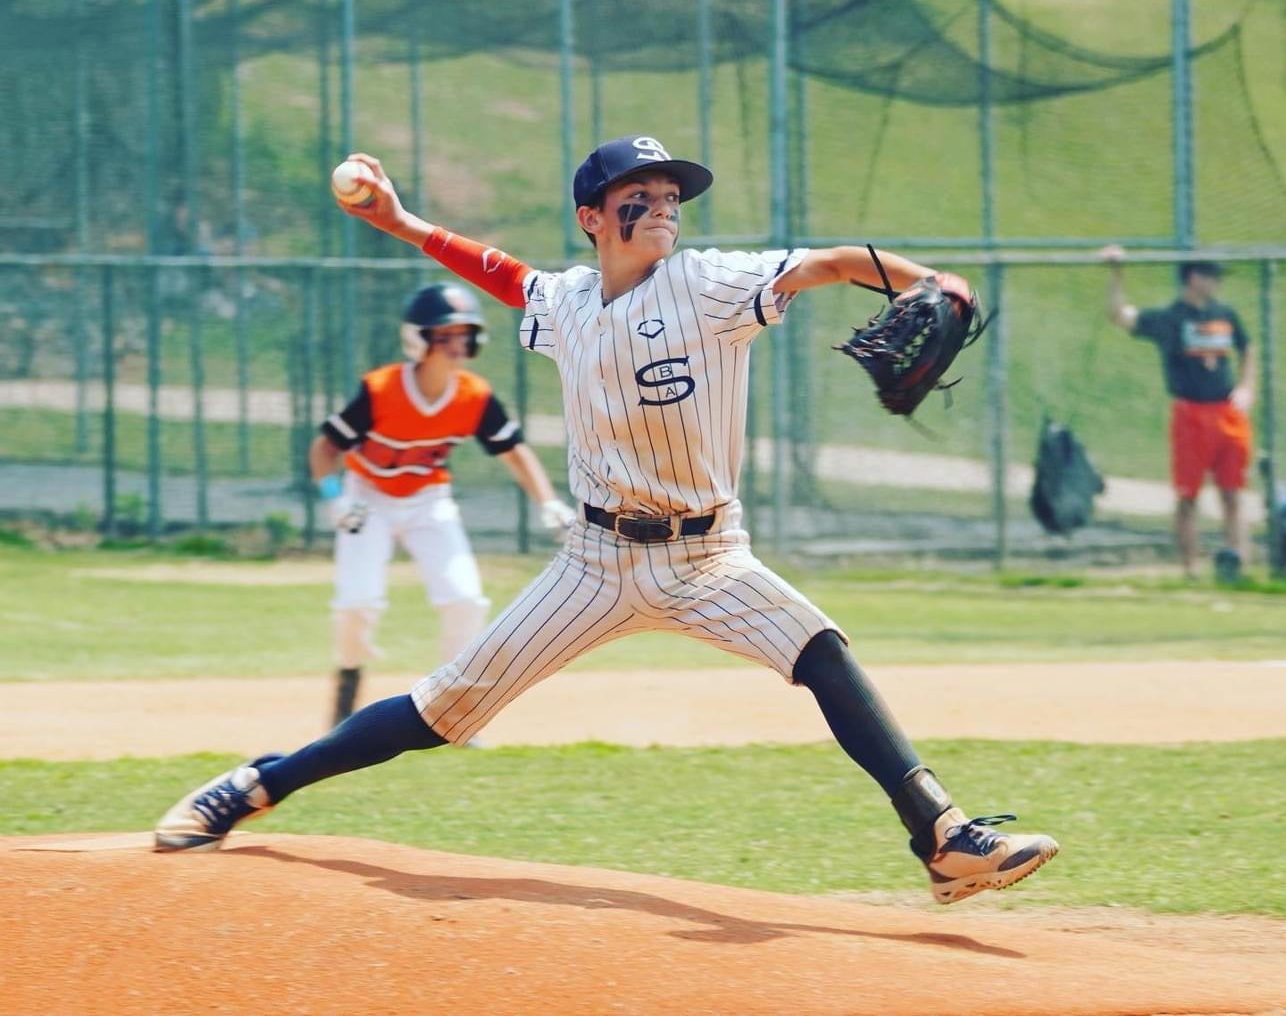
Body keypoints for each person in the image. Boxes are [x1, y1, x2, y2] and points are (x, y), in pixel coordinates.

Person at [155, 135, 1058, 905]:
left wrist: (928, 280)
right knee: (446, 704)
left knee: (820, 647)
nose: (664, 206)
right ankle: (257, 783)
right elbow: (501, 274)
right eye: (641, 195)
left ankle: (943, 838)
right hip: (592, 561)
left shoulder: (708, 284)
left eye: (671, 195)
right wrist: (398, 222)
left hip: (709, 553)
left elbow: (822, 264)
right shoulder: (567, 303)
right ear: (592, 215)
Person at [311, 281, 576, 726]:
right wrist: (334, 499)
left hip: (429, 502)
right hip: (367, 498)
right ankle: (346, 695)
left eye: (463, 334)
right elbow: (324, 449)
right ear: (419, 338)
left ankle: (452, 709)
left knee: (465, 599)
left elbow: (515, 450)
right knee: (358, 603)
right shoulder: (381, 390)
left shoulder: (473, 395)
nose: (456, 344)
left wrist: (548, 502)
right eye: (444, 334)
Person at [1101, 246, 1255, 581]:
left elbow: (1246, 347)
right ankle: (1191, 569)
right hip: (1191, 414)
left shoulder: (1224, 314)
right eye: (1211, 276)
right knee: (1188, 495)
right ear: (1194, 278)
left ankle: (1237, 561)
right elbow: (1120, 316)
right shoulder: (1172, 318)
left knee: (1233, 492)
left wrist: (1246, 387)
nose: (1216, 283)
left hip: (1227, 412)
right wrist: (1117, 272)